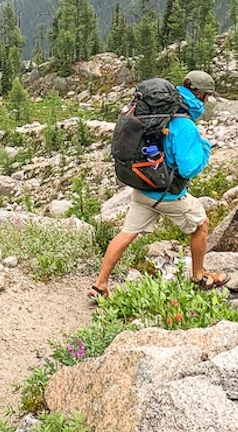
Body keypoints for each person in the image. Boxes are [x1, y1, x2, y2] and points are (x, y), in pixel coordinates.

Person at [89, 70, 228, 299]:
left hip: (143, 187)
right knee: (201, 224)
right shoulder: (185, 125)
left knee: (127, 233)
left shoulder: (161, 111)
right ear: (202, 96)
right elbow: (188, 167)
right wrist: (204, 147)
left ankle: (100, 285)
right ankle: (199, 275)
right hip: (167, 195)